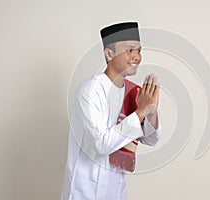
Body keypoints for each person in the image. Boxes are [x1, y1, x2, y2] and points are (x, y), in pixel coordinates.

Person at [61, 22, 162, 200]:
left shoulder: (131, 92)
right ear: (109, 54)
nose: (136, 57)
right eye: (129, 50)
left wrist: (151, 111)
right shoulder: (91, 90)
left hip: (115, 187)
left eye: (139, 50)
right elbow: (101, 144)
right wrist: (140, 112)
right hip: (86, 188)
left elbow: (150, 138)